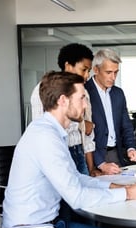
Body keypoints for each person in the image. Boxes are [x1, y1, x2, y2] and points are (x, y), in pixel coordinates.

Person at [2, 71, 136, 228]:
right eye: (82, 98)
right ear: (63, 101)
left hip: (49, 227)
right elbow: (77, 197)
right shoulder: (45, 138)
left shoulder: (52, 132)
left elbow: (77, 178)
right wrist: (127, 193)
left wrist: (116, 186)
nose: (86, 104)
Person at [30, 43, 97, 176]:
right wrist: (81, 123)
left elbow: (88, 135)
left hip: (79, 152)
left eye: (88, 71)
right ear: (68, 66)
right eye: (83, 69)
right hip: (57, 153)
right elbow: (42, 129)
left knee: (84, 192)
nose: (87, 75)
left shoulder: (84, 92)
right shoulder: (43, 90)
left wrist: (91, 169)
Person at [85, 49, 136, 175]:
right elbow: (84, 136)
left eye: (116, 72)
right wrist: (100, 163)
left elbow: (126, 125)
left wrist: (131, 148)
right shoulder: (85, 92)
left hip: (116, 155)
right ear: (96, 70)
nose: (113, 77)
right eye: (109, 72)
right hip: (93, 159)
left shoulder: (118, 93)